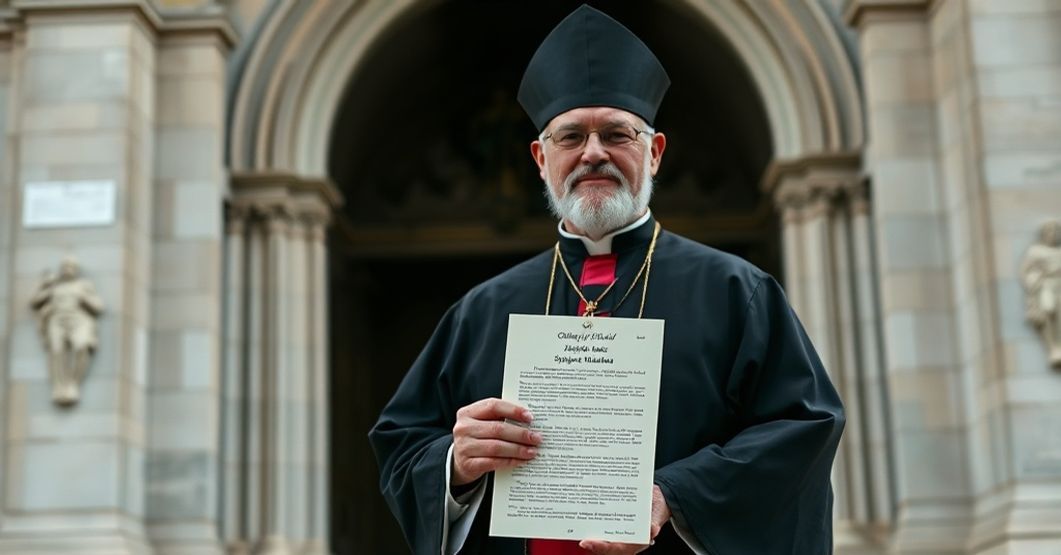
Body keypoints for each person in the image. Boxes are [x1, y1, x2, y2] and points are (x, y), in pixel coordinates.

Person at [369, 5, 845, 554]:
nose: (593, 153)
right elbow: (402, 444)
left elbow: (803, 428)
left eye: (617, 133)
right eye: (570, 136)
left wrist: (676, 496)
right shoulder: (482, 310)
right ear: (540, 159)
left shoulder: (738, 293)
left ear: (655, 152)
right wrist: (456, 464)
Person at [29, 257, 105, 405]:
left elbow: (98, 307)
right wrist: (43, 285)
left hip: (78, 321)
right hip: (57, 320)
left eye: (71, 267)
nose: (67, 269)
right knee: (57, 352)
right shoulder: (54, 287)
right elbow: (35, 302)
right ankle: (59, 386)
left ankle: (73, 384)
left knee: (81, 347)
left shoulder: (83, 286)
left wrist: (83, 298)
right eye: (65, 267)